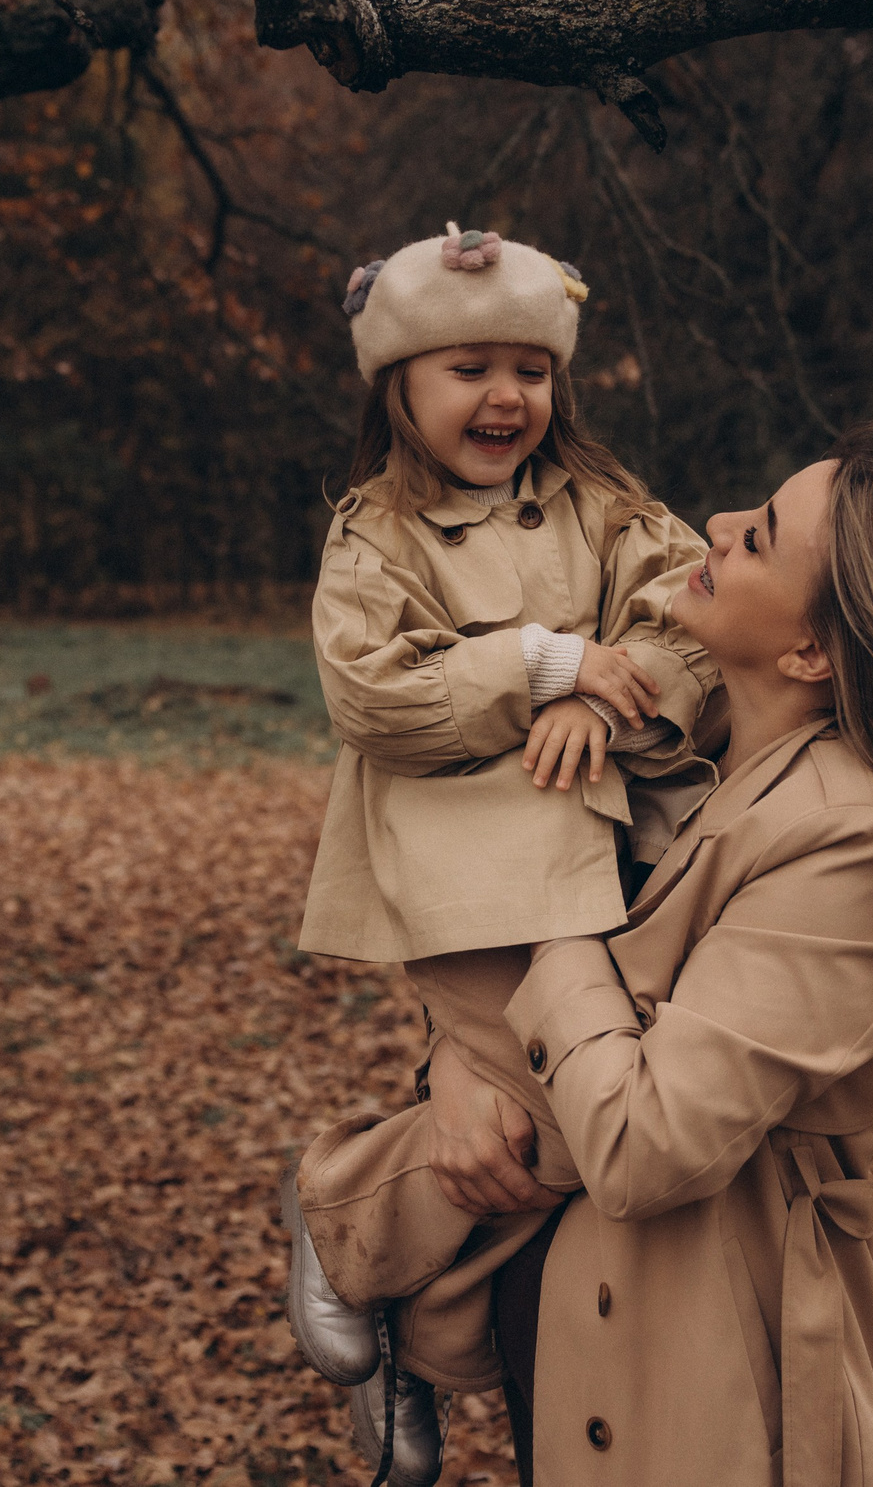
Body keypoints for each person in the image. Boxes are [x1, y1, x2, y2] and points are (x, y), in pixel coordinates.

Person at [419, 421, 873, 1487]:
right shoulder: (681, 754)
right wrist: (455, 1063)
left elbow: (642, 1138)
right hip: (575, 1318)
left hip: (704, 1363)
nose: (715, 526)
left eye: (759, 537)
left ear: (811, 652)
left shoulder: (853, 844)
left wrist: (553, 897)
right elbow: (544, 1014)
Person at [278, 222, 722, 1480]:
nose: (504, 396)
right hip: (463, 889)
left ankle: (387, 1287)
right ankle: (353, 1225)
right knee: (568, 1131)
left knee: (567, 1147)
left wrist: (608, 693)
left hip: (613, 871)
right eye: (466, 368)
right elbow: (371, 698)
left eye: (527, 369)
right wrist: (542, 666)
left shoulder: (611, 511)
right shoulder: (375, 535)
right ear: (399, 387)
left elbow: (699, 631)